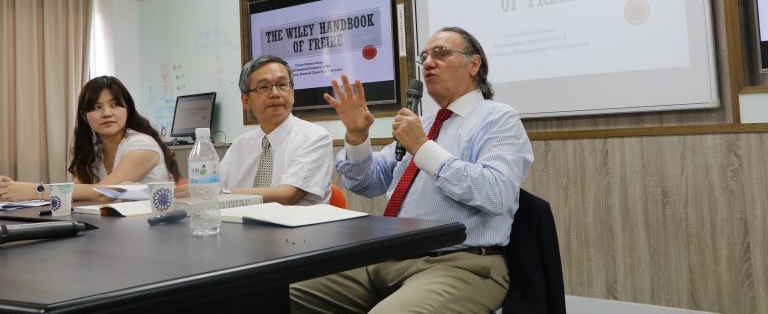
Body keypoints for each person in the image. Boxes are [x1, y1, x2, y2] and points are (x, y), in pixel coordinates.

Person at [290, 27, 534, 314]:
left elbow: (497, 194)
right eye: (425, 56)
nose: (428, 62)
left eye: (441, 53)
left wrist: (422, 147)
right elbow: (369, 183)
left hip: (460, 264)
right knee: (270, 295)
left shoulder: (498, 118)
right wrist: (357, 137)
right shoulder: (424, 124)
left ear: (474, 64)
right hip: (384, 259)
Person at [176, 55, 333, 205]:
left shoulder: (314, 137)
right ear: (246, 101)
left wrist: (219, 192)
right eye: (263, 87)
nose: (275, 94)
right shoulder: (240, 144)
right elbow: (210, 185)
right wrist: (199, 191)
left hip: (298, 231)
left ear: (292, 92)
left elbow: (287, 196)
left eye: (282, 85)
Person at [0, 76, 180, 202]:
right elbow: (76, 192)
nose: (107, 113)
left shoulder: (143, 145)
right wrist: (10, 191)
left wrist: (32, 191)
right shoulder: (94, 151)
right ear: (85, 116)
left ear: (128, 110)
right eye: (97, 107)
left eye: (115, 104)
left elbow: (104, 193)